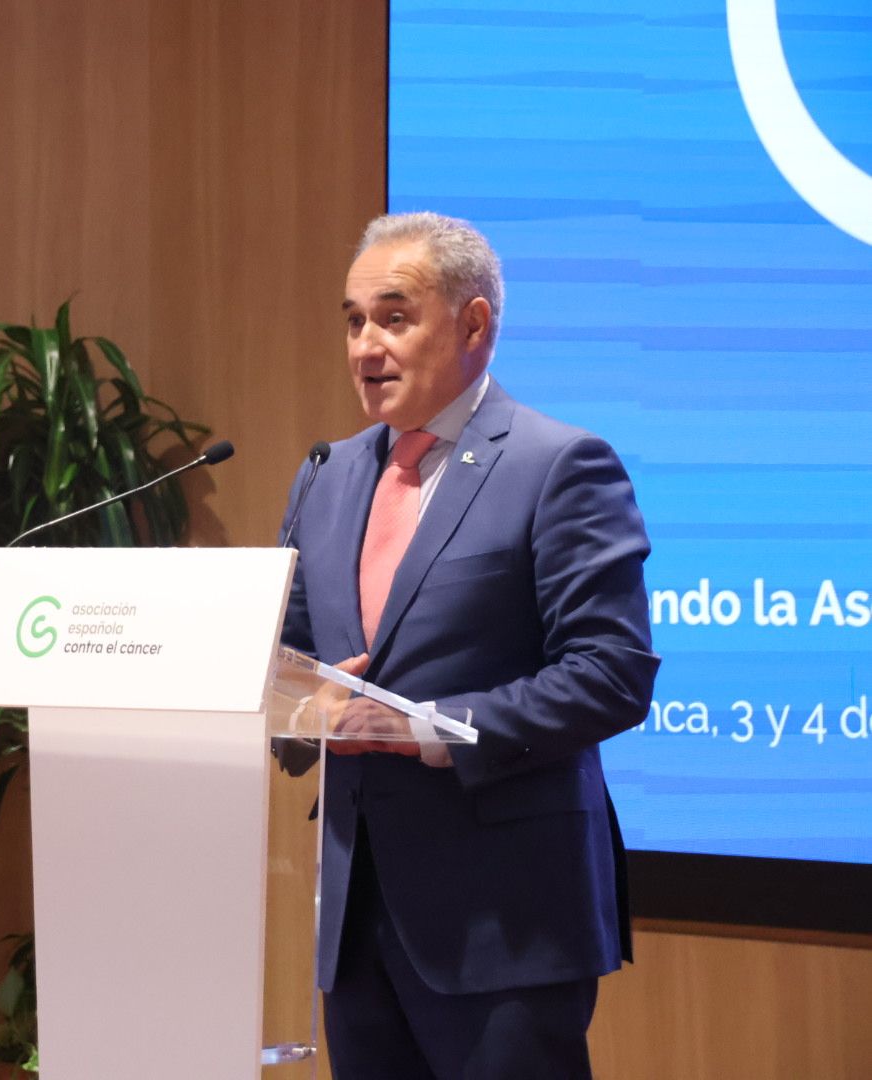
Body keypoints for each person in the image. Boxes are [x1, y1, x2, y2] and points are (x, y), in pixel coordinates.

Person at [277, 212, 659, 1079]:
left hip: (505, 926)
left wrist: (427, 728)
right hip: (354, 918)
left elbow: (612, 674)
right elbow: (289, 661)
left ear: (474, 324)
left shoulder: (560, 465)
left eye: (393, 316)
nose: (365, 345)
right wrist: (304, 709)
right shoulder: (327, 476)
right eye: (352, 320)